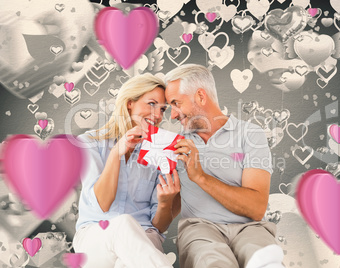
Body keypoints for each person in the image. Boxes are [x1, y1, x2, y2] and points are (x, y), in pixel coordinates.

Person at [164, 64, 285, 268]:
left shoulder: (250, 134)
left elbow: (256, 209)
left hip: (250, 227)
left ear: (201, 97)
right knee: (211, 260)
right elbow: (167, 208)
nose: (173, 115)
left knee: (263, 258)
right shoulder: (174, 144)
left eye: (176, 103)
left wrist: (200, 177)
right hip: (199, 228)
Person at [73, 74, 181, 268]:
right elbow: (102, 206)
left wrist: (166, 202)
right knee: (123, 223)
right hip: (96, 237)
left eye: (163, 109)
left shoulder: (161, 152)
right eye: (151, 104)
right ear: (130, 103)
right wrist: (116, 153)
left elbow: (159, 226)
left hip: (145, 238)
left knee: (125, 262)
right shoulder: (89, 143)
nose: (157, 115)